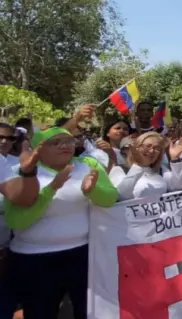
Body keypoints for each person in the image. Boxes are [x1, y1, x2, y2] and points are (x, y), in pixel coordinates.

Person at [5, 127, 118, 319]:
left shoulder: (88, 164)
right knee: (40, 312)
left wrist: (93, 191)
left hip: (82, 254)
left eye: (68, 141)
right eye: (55, 142)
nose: (65, 146)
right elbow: (16, 221)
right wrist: (51, 189)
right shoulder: (21, 172)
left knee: (88, 311)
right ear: (38, 148)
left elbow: (110, 198)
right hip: (35, 260)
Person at [113, 132, 182, 200]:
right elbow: (121, 196)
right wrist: (138, 166)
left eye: (157, 148)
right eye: (148, 146)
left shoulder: (161, 170)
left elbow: (177, 187)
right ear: (136, 148)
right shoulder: (120, 170)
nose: (151, 151)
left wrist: (175, 159)